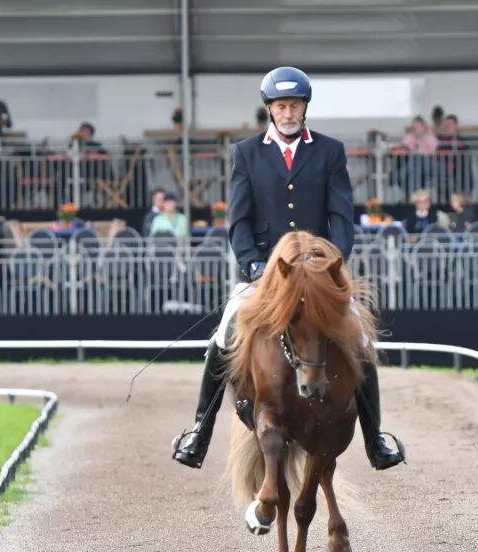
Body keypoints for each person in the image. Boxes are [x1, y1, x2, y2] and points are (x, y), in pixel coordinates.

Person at [171, 66, 404, 472]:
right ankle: (198, 432)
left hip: (317, 273)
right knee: (223, 333)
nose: (288, 112)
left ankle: (375, 438)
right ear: (270, 109)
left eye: (294, 105)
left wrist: (331, 264)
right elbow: (238, 221)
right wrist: (253, 263)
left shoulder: (330, 151)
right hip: (264, 272)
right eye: (281, 106)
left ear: (304, 107)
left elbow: (342, 216)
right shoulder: (246, 152)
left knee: (361, 338)